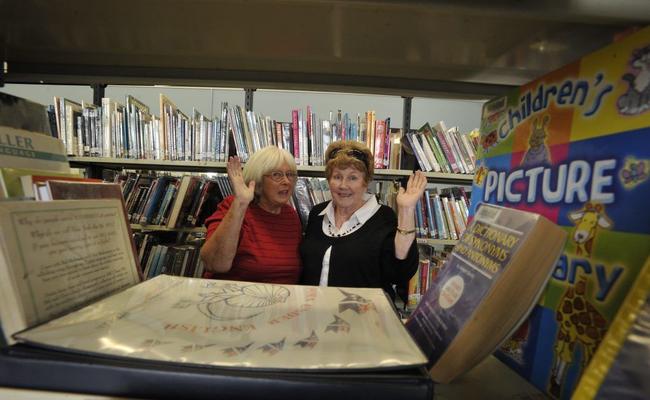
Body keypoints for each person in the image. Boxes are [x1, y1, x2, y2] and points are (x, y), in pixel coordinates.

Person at [299, 140, 426, 300]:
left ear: (366, 182)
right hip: (316, 316)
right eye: (337, 177)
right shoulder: (317, 214)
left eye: (353, 178)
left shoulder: (383, 218)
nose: (343, 185)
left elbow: (400, 273)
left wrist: (407, 210)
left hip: (364, 318)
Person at [200, 146, 302, 284]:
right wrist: (241, 203)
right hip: (236, 301)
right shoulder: (234, 206)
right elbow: (215, 264)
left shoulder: (291, 216)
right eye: (277, 175)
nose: (286, 181)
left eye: (290, 175)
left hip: (283, 301)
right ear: (258, 181)